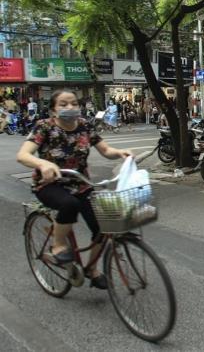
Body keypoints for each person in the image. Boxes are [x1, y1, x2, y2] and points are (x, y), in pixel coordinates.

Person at [16, 89, 132, 289]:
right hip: (49, 185)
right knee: (69, 204)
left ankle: (91, 268)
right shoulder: (44, 127)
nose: (70, 107)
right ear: (53, 110)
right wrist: (43, 165)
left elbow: (105, 150)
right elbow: (23, 155)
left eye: (73, 103)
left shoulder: (85, 126)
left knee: (104, 227)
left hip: (81, 184)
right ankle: (58, 245)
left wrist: (120, 153)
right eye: (63, 104)